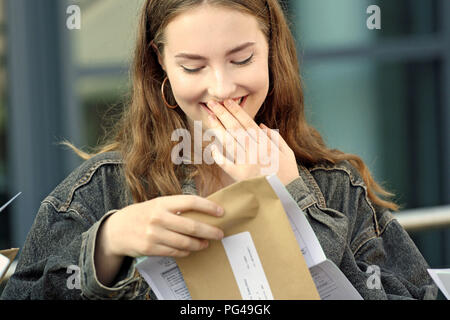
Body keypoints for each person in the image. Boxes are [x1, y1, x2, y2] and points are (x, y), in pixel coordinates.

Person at [1, 0, 437, 300]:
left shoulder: (334, 186)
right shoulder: (97, 194)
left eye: (242, 59)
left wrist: (293, 200)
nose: (222, 87)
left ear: (271, 52)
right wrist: (106, 246)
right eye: (193, 66)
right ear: (161, 64)